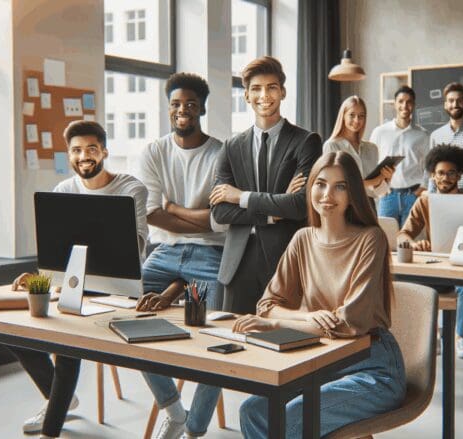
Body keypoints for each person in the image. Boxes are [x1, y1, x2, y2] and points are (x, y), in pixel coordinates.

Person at [235, 151, 406, 438]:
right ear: (310, 186)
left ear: (353, 193)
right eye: (321, 183)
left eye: (340, 186)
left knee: (287, 423)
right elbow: (266, 305)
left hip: (373, 367)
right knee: (253, 411)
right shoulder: (303, 239)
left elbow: (348, 323)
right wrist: (305, 316)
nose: (328, 194)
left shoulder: (371, 239)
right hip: (321, 362)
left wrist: (278, 323)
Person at [10, 120, 148, 438]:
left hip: (117, 289)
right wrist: (40, 277)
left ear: (104, 152)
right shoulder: (63, 191)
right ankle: (59, 395)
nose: (83, 156)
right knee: (11, 330)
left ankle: (51, 429)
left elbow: (137, 248)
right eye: (76, 150)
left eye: (91, 149)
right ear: (68, 154)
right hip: (71, 284)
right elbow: (56, 250)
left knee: (68, 337)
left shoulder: (131, 188)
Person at [133, 72, 227, 439]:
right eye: (175, 104)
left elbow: (220, 222)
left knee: (217, 335)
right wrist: (198, 217)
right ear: (168, 108)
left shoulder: (221, 153)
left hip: (211, 255)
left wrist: (177, 209)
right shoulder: (154, 152)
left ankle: (195, 427)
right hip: (164, 252)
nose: (182, 110)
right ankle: (173, 409)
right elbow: (151, 212)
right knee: (126, 313)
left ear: (202, 107)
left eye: (190, 103)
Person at [210, 55, 322, 315]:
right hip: (239, 261)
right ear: (246, 95)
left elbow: (300, 205)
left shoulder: (307, 142)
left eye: (271, 87)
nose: (265, 95)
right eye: (256, 89)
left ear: (282, 92)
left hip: (286, 258)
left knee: (283, 342)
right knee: (235, 343)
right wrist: (273, 211)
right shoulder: (231, 147)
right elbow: (219, 211)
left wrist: (240, 196)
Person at [397, 144, 463, 359]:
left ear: (459, 175)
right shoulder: (424, 201)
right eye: (441, 173)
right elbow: (403, 234)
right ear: (433, 176)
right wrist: (414, 244)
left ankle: (462, 336)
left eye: (451, 173)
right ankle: (430, 335)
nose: (445, 178)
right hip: (435, 269)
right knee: (408, 284)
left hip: (462, 268)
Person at [369, 85, 429, 226]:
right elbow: (370, 162)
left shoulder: (423, 135)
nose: (405, 105)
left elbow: (430, 166)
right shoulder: (380, 132)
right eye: (401, 101)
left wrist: (421, 190)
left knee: (410, 242)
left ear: (413, 105)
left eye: (409, 102)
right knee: (386, 240)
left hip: (413, 197)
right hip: (387, 196)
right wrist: (378, 190)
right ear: (395, 104)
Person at [323, 95, 393, 202]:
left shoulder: (372, 149)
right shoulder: (332, 146)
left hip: (368, 207)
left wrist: (386, 178)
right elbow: (336, 183)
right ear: (343, 116)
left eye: (361, 116)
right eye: (352, 115)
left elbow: (377, 193)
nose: (357, 120)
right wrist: (375, 180)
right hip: (344, 205)